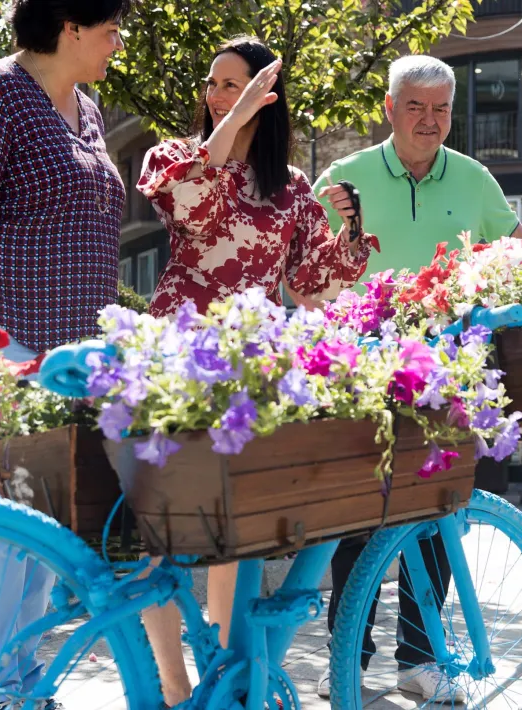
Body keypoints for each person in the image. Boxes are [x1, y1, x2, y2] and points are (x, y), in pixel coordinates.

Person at [135, 36, 376, 706]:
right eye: (212, 85)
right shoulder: (174, 158)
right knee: (160, 527)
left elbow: (308, 282)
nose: (217, 96)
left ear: (267, 97)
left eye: (233, 85)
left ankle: (221, 674)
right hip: (175, 357)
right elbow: (188, 204)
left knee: (229, 532)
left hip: (250, 365)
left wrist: (350, 233)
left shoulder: (291, 187)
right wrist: (231, 122)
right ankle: (174, 684)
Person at [0, 1, 130, 707]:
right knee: (0, 519)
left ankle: (22, 681)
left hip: (62, 354)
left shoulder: (89, 109)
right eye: (110, 28)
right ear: (70, 25)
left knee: (42, 521)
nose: (118, 41)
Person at [311, 54, 522, 703]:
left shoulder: (476, 180)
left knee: (435, 520)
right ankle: (346, 652)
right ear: (389, 108)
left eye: (440, 109)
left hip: (447, 375)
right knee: (356, 521)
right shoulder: (343, 180)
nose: (430, 121)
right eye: (416, 107)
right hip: (360, 372)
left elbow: (513, 257)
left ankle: (419, 659)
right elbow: (311, 276)